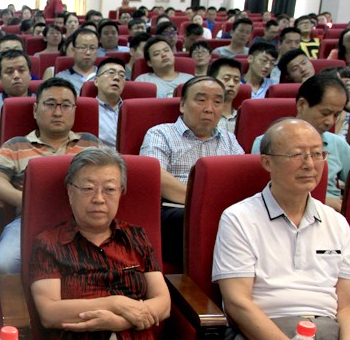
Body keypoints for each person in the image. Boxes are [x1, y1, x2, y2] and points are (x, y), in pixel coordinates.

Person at [213, 118, 350, 340]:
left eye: (317, 154)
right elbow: (238, 303)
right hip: (264, 334)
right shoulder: (239, 218)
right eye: (297, 155)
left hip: (328, 332)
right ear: (267, 162)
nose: (310, 164)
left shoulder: (336, 222)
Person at [30, 147, 170, 340]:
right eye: (88, 188)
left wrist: (119, 322)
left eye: (109, 190)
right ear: (70, 192)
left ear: (120, 193)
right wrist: (115, 303)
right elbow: (49, 313)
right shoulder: (50, 243)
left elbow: (163, 304)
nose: (99, 199)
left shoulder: (136, 237)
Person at [0, 77, 105, 279]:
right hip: (29, 220)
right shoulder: (16, 145)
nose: (58, 112)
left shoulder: (90, 143)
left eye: (65, 105)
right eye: (50, 104)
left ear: (74, 110)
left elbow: (114, 176)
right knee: (1, 265)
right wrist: (25, 200)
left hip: (85, 222)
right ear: (36, 110)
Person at [140, 76, 244, 267]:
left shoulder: (229, 139)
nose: (209, 108)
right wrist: (202, 203)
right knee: (192, 220)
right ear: (182, 105)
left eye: (217, 102)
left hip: (221, 210)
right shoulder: (161, 133)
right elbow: (155, 176)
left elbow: (241, 180)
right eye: (201, 100)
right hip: (174, 209)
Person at [251, 74, 350, 212]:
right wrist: (322, 201)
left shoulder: (337, 143)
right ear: (302, 105)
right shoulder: (266, 142)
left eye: (336, 115)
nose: (330, 121)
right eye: (325, 113)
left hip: (333, 215)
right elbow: (266, 193)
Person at [94, 57, 126, 147]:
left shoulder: (132, 111)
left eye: (122, 75)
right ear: (96, 81)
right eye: (111, 73)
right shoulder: (88, 111)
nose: (116, 78)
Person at [56, 29, 99, 94]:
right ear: (73, 50)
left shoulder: (105, 76)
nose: (88, 52)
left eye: (92, 48)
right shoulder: (61, 78)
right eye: (83, 47)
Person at [209, 58, 242, 133]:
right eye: (226, 79)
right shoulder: (203, 116)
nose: (232, 84)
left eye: (236, 80)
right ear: (211, 81)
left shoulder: (243, 118)